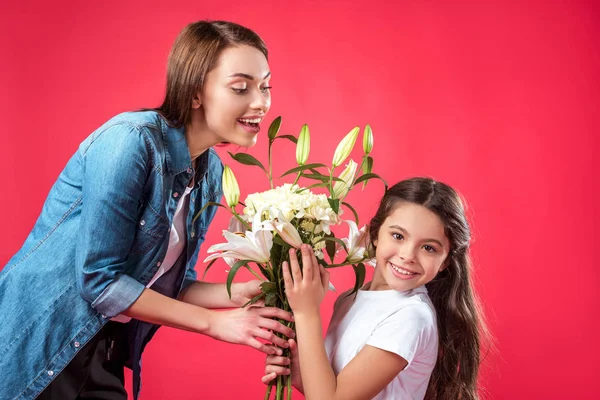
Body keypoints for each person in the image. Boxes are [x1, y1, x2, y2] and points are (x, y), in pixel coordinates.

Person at [0, 20, 295, 400]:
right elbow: (100, 282)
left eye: (265, 86)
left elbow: (171, 284)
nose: (261, 102)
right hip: (37, 341)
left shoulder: (210, 173)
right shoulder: (131, 141)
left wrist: (243, 293)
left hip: (102, 350)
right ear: (194, 94)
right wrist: (214, 324)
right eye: (241, 88)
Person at [263, 177, 489, 399]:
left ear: (446, 261)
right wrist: (302, 375)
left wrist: (306, 313)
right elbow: (333, 390)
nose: (407, 255)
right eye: (398, 236)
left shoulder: (411, 316)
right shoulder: (350, 299)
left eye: (429, 248)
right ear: (374, 234)